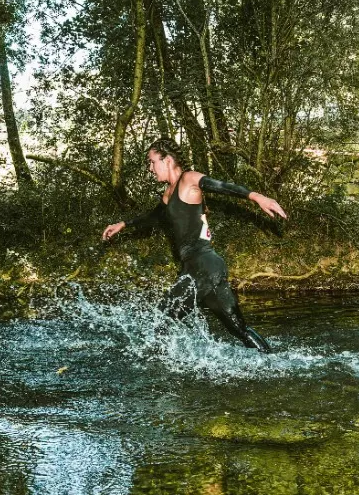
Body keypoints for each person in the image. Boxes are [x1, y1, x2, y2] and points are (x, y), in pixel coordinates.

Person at [101, 138, 287, 351]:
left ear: (168, 160)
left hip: (205, 267)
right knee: (236, 329)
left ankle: (163, 371)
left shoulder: (188, 179)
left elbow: (220, 186)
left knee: (164, 322)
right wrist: (124, 224)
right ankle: (272, 362)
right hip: (196, 269)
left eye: (152, 162)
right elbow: (154, 216)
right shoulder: (169, 192)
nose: (150, 168)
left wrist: (256, 197)